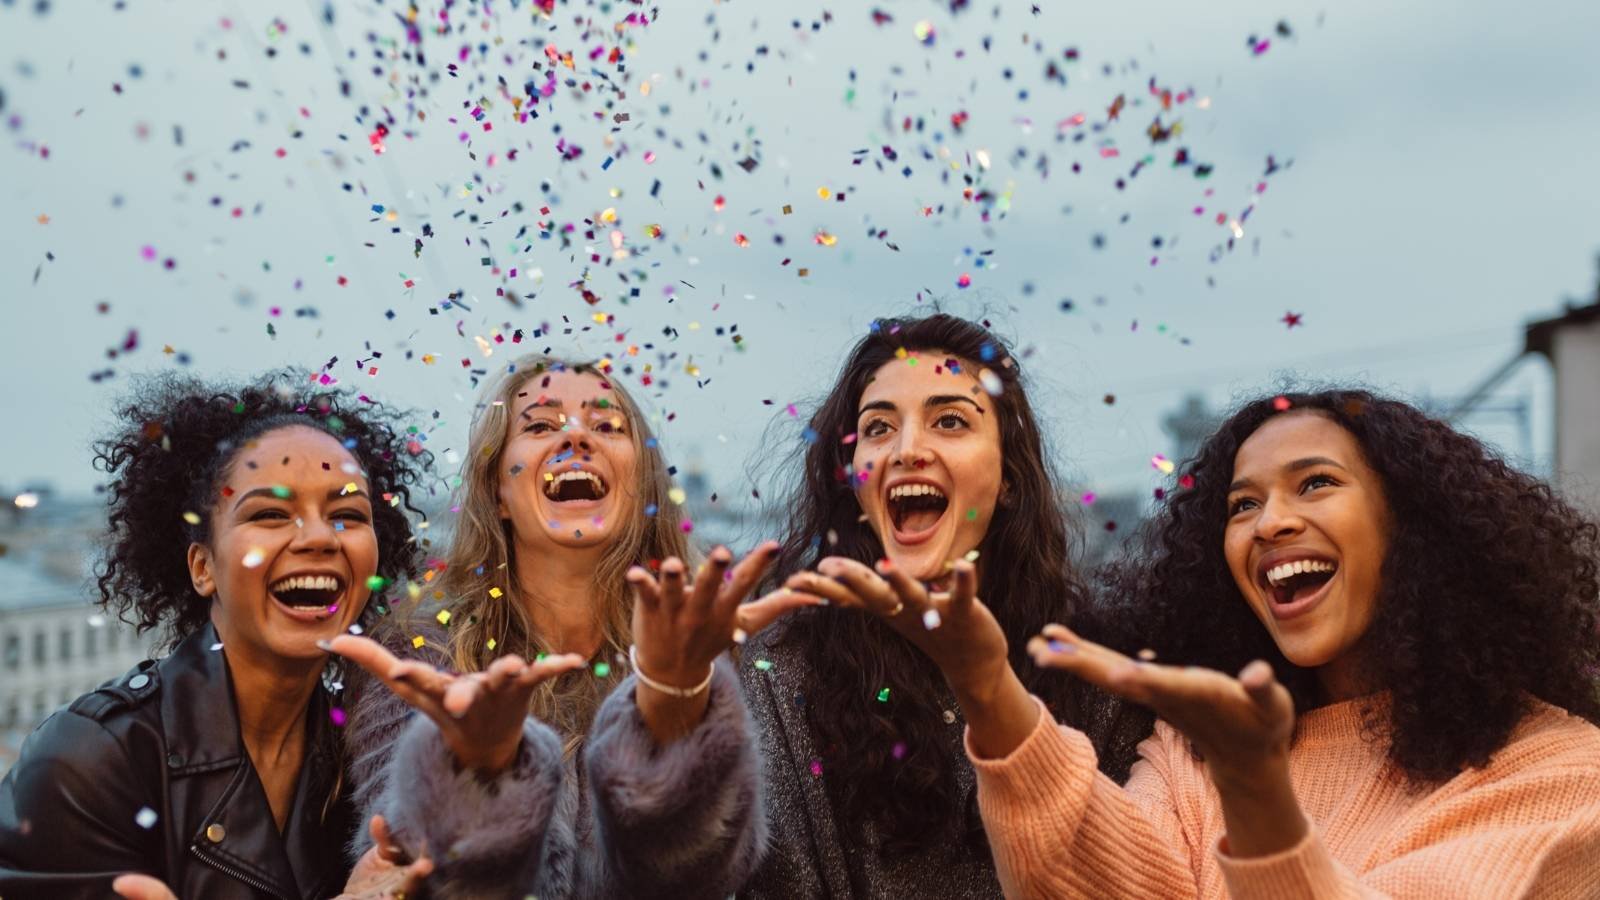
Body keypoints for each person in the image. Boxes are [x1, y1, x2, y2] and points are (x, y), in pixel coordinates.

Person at [827, 388, 1600, 898]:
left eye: (1316, 483)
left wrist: (1258, 791)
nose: (1269, 524)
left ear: (1421, 529)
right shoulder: (1195, 754)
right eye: (1242, 504)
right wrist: (986, 684)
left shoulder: (1562, 774)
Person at [330, 355, 817, 898]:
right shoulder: (421, 651)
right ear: (498, 492)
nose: (578, 438)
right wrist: (474, 771)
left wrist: (675, 699)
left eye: (607, 425)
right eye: (540, 425)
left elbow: (707, 872)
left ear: (644, 485)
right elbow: (409, 865)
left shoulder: (720, 648)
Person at [0, 372, 435, 899]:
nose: (320, 537)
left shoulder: (374, 752)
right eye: (271, 513)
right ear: (202, 567)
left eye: (347, 514)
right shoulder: (88, 762)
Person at [743, 314, 1098, 898]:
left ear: (1008, 475)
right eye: (878, 428)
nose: (908, 450)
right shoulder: (783, 671)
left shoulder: (1092, 672)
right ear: (852, 480)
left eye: (950, 421)